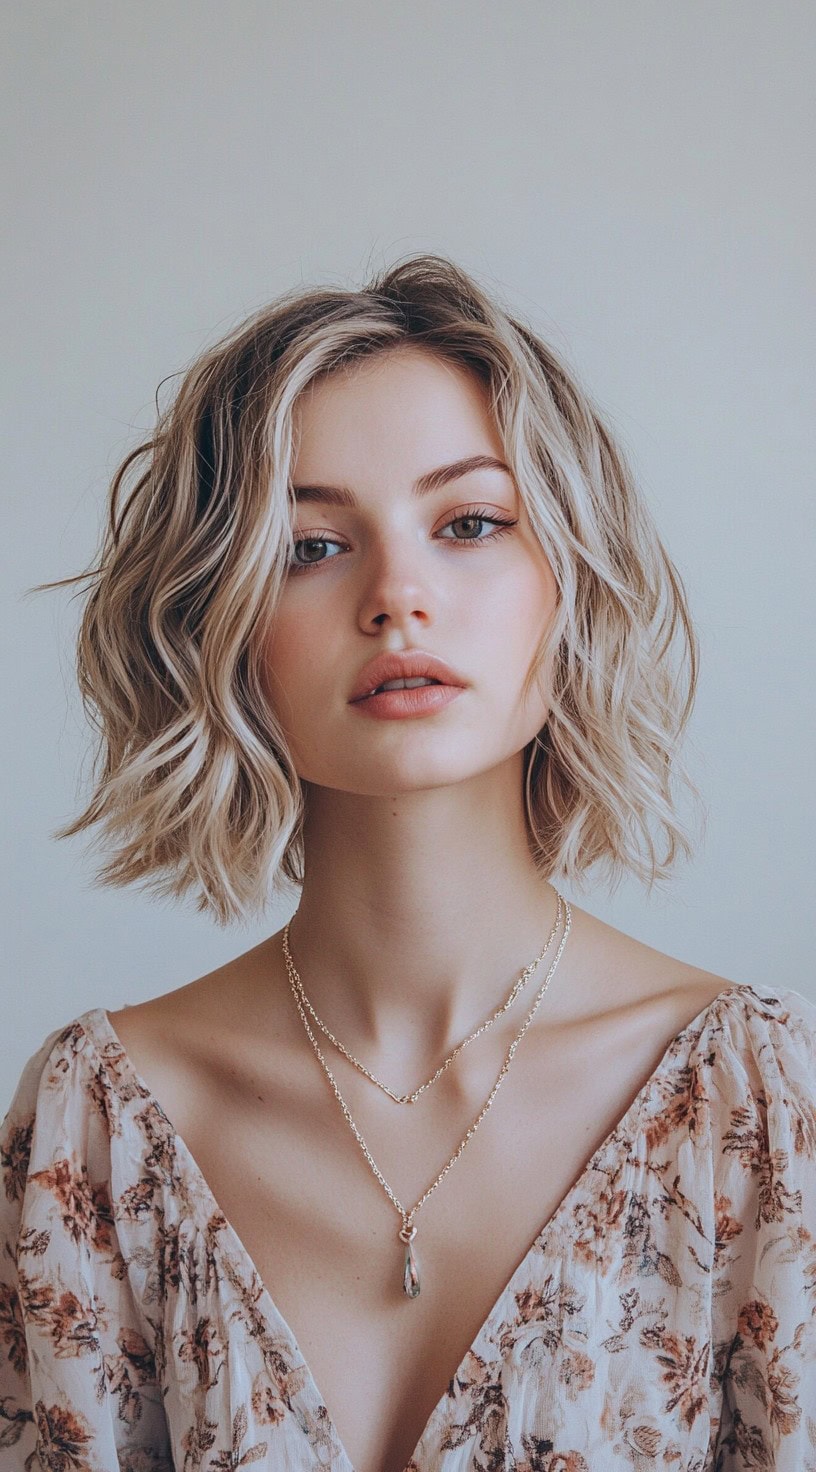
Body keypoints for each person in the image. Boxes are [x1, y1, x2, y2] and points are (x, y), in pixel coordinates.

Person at [2, 255, 814, 1472]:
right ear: (213, 622)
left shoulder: (759, 1108)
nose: (397, 597)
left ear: (569, 581)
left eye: (471, 523)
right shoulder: (97, 1129)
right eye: (311, 546)